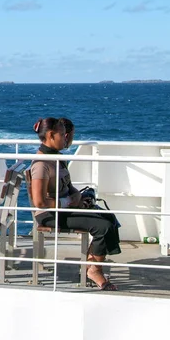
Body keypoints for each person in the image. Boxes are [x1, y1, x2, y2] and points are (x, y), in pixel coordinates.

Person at [30, 117, 121, 291]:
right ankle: (95, 271)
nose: (65, 138)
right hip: (50, 215)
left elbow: (69, 186)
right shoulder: (41, 164)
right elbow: (39, 202)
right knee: (102, 226)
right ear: (51, 135)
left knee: (108, 217)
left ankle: (91, 265)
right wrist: (69, 201)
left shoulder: (57, 158)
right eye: (62, 134)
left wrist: (78, 197)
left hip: (65, 208)